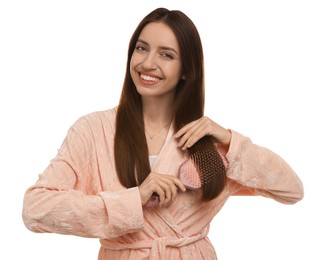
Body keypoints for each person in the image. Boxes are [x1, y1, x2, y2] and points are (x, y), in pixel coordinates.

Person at [22, 7, 304, 260]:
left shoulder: (208, 145)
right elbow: (35, 209)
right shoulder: (93, 130)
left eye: (166, 54)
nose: (147, 63)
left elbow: (292, 190)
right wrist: (133, 199)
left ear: (186, 70)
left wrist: (231, 140)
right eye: (141, 48)